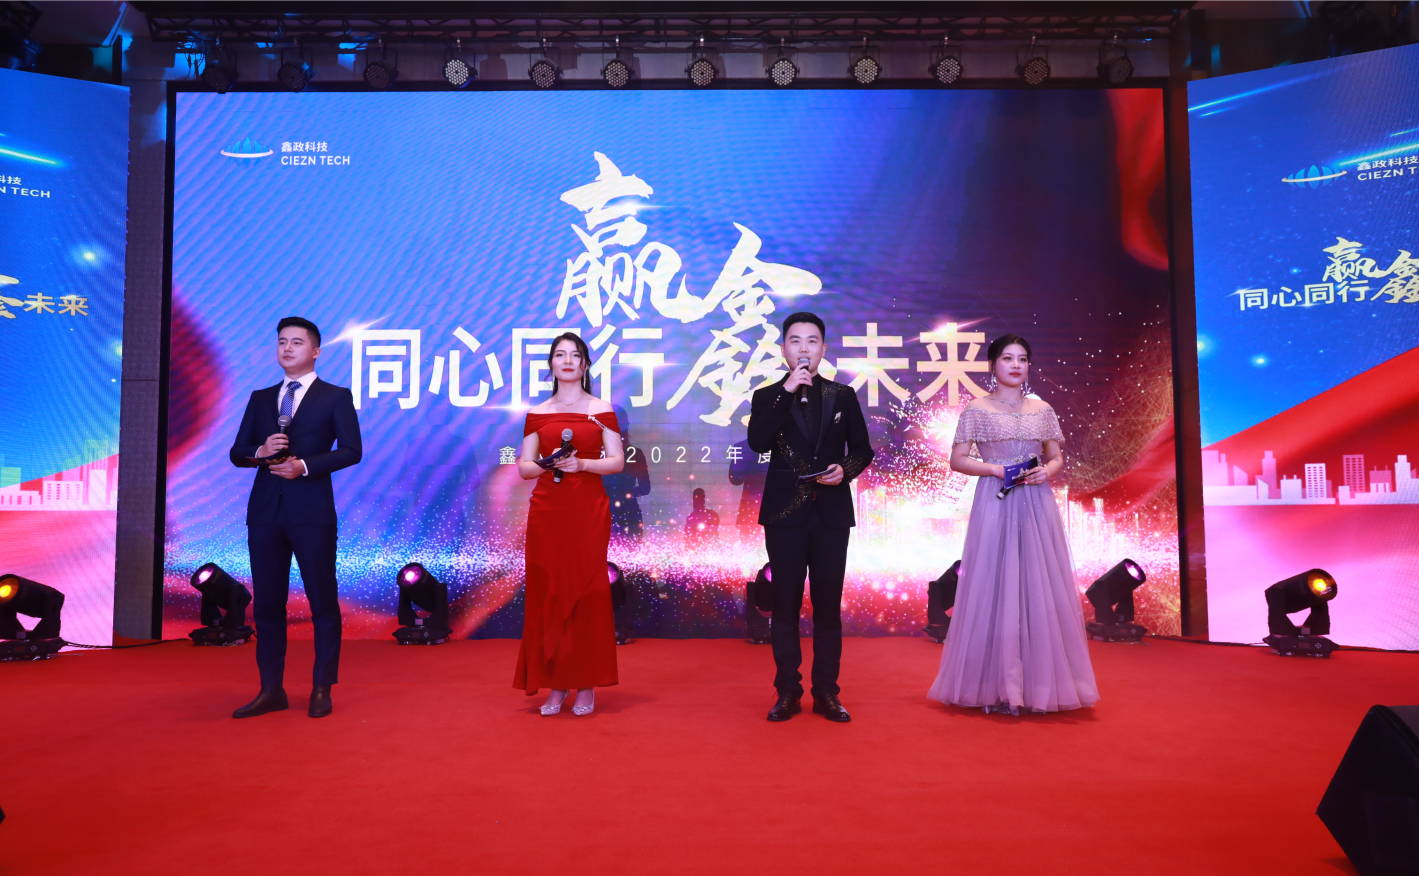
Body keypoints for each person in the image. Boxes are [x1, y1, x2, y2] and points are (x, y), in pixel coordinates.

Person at [927, 334, 1099, 715]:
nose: (1016, 365)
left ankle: (1042, 685)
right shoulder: (976, 409)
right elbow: (957, 460)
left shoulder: (1042, 408)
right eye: (1007, 358)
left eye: (1022, 358)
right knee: (994, 583)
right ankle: (996, 684)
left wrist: (1046, 473)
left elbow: (1055, 457)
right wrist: (995, 469)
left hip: (1036, 503)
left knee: (1039, 584)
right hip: (996, 500)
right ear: (993, 365)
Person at [228, 317, 362, 719]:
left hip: (311, 512)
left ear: (316, 351)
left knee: (322, 601)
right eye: (282, 342)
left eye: (297, 342)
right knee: (268, 605)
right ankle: (271, 689)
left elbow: (351, 450)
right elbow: (237, 452)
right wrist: (261, 451)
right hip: (265, 513)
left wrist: (304, 466)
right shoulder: (260, 398)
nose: (287, 348)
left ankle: (322, 687)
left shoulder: (335, 396)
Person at [747, 312, 874, 723]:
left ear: (823, 348)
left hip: (831, 515)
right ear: (784, 348)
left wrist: (845, 470)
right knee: (784, 605)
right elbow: (758, 441)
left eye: (812, 341)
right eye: (796, 341)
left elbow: (863, 449)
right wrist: (787, 390)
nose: (804, 349)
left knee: (828, 607)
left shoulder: (842, 395)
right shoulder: (768, 396)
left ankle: (826, 693)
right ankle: (787, 692)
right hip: (784, 515)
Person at [514, 333, 624, 716]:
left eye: (574, 355)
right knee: (549, 593)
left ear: (585, 364)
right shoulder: (538, 412)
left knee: (586, 592)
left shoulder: (600, 409)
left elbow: (617, 461)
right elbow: (524, 467)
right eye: (559, 355)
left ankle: (586, 684)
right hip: (547, 511)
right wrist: (548, 464)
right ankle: (557, 684)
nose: (567, 361)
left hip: (586, 508)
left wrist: (582, 464)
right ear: (551, 364)